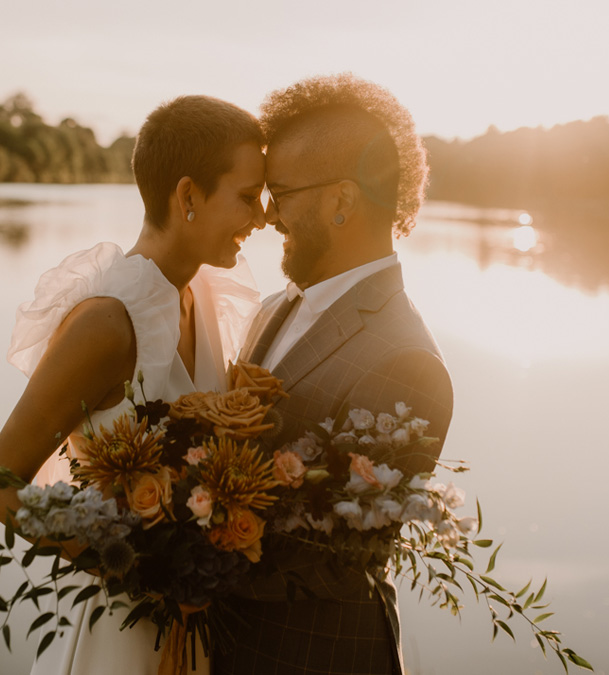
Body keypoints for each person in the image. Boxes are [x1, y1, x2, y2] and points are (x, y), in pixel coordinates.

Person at [0, 95, 267, 675]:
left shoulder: (205, 296)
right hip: (121, 630)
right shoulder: (108, 322)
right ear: (188, 195)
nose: (260, 217)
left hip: (190, 630)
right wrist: (154, 568)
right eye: (245, 196)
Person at [212, 74, 455, 675]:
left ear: (341, 201)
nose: (267, 216)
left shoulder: (406, 361)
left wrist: (167, 552)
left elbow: (336, 558)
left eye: (280, 192)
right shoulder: (277, 305)